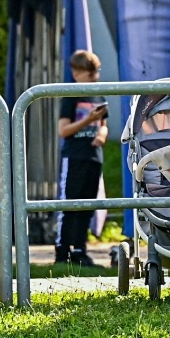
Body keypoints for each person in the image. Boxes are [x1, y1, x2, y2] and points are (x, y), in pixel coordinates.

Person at [55, 49, 107, 266]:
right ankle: (62, 250)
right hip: (74, 156)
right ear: (76, 74)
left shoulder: (100, 94)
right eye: (89, 75)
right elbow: (64, 130)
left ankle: (80, 249)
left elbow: (104, 125)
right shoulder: (72, 95)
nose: (94, 79)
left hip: (93, 156)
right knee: (70, 204)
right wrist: (88, 120)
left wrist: (102, 134)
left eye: (96, 74)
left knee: (87, 205)